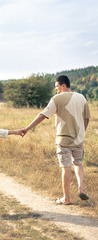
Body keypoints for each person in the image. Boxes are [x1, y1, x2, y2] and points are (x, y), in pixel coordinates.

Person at [22, 75, 90, 205]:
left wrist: (27, 128)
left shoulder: (57, 99)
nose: (56, 89)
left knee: (66, 168)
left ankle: (66, 199)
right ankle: (81, 189)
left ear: (63, 85)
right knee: (78, 164)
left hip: (64, 139)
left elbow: (43, 115)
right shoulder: (82, 97)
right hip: (79, 139)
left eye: (57, 87)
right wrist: (82, 133)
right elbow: (86, 118)